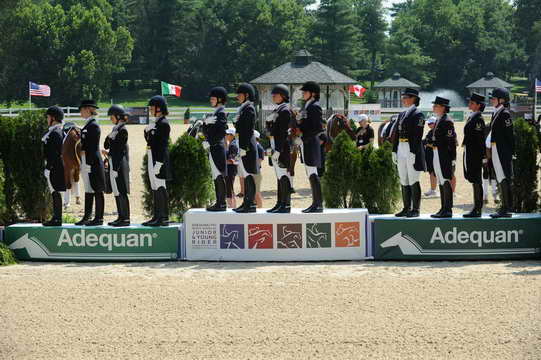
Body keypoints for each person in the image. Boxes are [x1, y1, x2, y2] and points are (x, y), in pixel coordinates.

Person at [391, 88, 425, 218]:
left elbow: (418, 135)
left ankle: (415, 209)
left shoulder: (418, 114)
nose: (403, 99)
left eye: (405, 97)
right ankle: (406, 207)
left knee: (413, 179)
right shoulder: (402, 114)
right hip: (401, 147)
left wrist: (413, 151)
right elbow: (396, 134)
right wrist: (394, 150)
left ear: (413, 99)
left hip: (411, 149)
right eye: (403, 97)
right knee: (403, 179)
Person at [75, 100, 106, 226]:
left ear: (88, 109)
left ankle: (99, 218)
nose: (80, 112)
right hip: (86, 160)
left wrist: (88, 162)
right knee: (88, 189)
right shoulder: (88, 125)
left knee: (97, 189)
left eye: (82, 109)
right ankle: (87, 216)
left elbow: (92, 146)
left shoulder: (93, 125)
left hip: (91, 161)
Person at [142, 95, 172, 226]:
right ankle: (156, 216)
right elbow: (151, 141)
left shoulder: (163, 124)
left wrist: (159, 163)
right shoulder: (156, 123)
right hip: (152, 156)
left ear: (158, 108)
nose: (150, 109)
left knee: (160, 186)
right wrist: (147, 131)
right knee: (155, 187)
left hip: (158, 159)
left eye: (152, 107)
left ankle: (163, 217)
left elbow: (163, 145)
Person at [297, 81, 324, 213]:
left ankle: (318, 204)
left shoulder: (314, 106)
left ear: (313, 93)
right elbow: (305, 125)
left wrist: (303, 137)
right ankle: (315, 203)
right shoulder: (307, 106)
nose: (303, 93)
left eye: (305, 92)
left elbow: (318, 127)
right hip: (306, 142)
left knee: (313, 173)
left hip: (311, 142)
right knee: (310, 173)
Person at [487, 88, 514, 218]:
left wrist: (509, 153)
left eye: (493, 98)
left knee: (504, 177)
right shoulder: (496, 112)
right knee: (500, 177)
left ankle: (506, 207)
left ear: (501, 100)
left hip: (502, 150)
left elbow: (510, 136)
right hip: (495, 149)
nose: (491, 100)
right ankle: (504, 206)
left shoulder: (505, 114)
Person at [266, 84, 293, 213]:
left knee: (283, 176)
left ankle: (286, 204)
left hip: (281, 147)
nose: (273, 97)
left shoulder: (284, 110)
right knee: (279, 176)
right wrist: (268, 122)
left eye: (275, 95)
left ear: (283, 96)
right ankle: (280, 203)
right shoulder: (277, 110)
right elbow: (271, 131)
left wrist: (278, 150)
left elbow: (282, 132)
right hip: (275, 145)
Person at [103, 104, 130, 226]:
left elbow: (120, 151)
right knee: (116, 191)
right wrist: (109, 136)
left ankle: (125, 218)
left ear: (118, 116)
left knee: (121, 191)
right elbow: (107, 145)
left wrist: (116, 167)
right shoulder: (115, 130)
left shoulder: (123, 130)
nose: (110, 119)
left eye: (112, 117)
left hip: (119, 163)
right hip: (113, 161)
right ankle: (120, 216)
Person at [430, 96, 457, 218]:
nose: (433, 107)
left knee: (445, 180)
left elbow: (451, 141)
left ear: (443, 107)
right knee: (441, 180)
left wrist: (452, 159)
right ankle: (443, 208)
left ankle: (448, 209)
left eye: (436, 105)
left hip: (444, 154)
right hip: (437, 152)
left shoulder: (447, 121)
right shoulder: (439, 119)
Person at [233, 83, 258, 213]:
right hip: (242, 144)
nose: (237, 96)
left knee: (248, 175)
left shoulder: (249, 109)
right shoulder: (243, 108)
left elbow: (247, 130)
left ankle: (251, 203)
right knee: (245, 174)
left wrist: (244, 147)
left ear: (246, 95)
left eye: (239, 94)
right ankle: (246, 202)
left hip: (247, 145)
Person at [202, 87, 228, 212]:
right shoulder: (215, 113)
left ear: (220, 99)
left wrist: (209, 142)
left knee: (218, 175)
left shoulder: (221, 112)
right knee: (215, 176)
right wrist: (205, 123)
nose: (211, 100)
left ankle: (221, 203)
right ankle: (219, 202)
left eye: (213, 98)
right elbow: (208, 131)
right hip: (213, 147)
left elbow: (222, 132)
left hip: (217, 147)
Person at [462, 93, 486, 217]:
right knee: (473, 180)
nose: (469, 104)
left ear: (478, 105)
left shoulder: (478, 119)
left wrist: (482, 157)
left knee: (477, 181)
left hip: (475, 154)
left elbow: (480, 140)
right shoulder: (473, 117)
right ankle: (476, 208)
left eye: (472, 103)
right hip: (470, 152)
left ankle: (477, 209)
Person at [42, 106, 67, 226]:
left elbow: (53, 153)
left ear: (53, 118)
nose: (47, 119)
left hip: (54, 167)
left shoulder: (55, 132)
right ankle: (56, 217)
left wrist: (48, 168)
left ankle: (57, 218)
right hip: (55, 166)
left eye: (48, 117)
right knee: (54, 192)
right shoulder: (55, 131)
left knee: (55, 192)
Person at [422, 116, 439, 198]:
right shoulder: (430, 132)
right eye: (428, 123)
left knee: (433, 172)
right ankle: (432, 189)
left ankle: (433, 190)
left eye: (431, 123)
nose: (429, 125)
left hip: (433, 154)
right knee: (431, 172)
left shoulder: (436, 132)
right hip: (429, 154)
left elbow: (436, 145)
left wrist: (426, 143)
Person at [225, 128, 239, 208]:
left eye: (227, 134)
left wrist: (222, 162)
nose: (226, 136)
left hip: (231, 168)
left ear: (231, 135)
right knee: (230, 187)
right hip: (231, 168)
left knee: (229, 187)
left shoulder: (233, 145)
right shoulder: (232, 143)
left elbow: (232, 160)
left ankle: (231, 206)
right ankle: (232, 205)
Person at [254, 130, 265, 208]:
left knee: (257, 192)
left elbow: (259, 161)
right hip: (253, 171)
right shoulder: (256, 146)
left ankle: (260, 208)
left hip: (256, 172)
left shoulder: (259, 147)